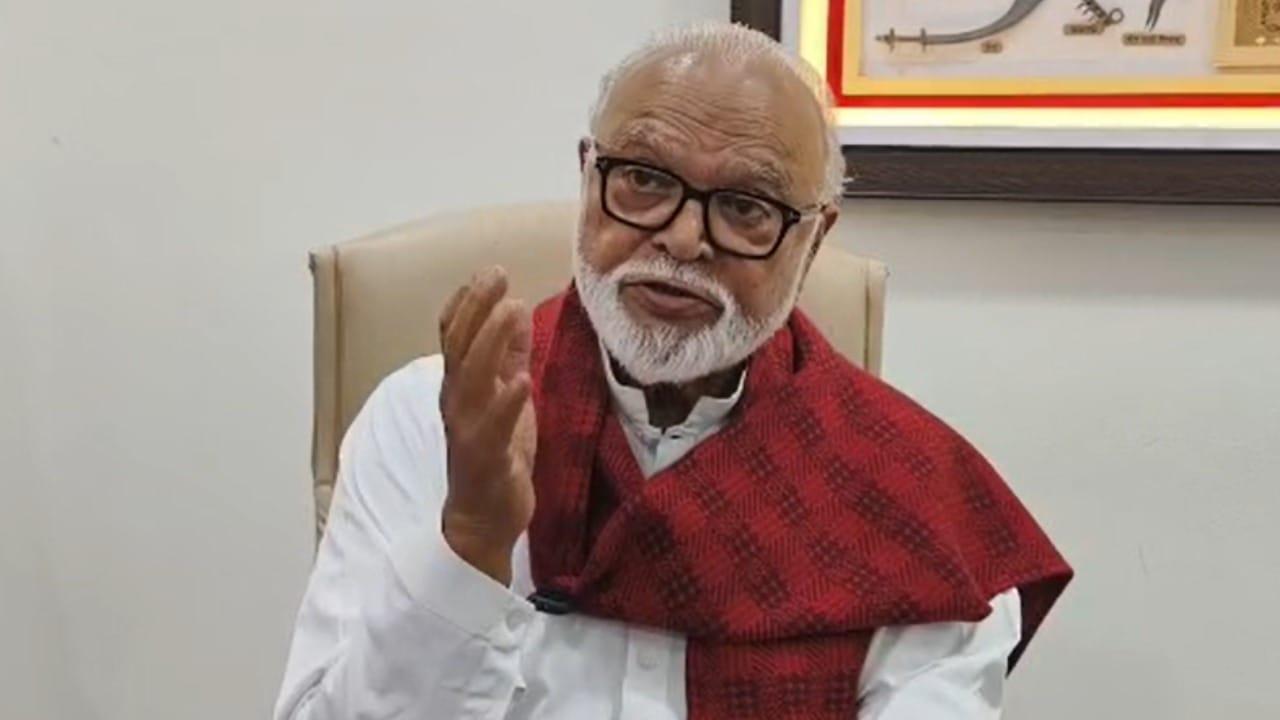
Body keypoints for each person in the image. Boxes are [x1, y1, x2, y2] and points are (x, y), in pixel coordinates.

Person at [275, 22, 1071, 720]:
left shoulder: (911, 495)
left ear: (813, 239)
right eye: (645, 181)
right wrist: (472, 542)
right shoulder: (430, 424)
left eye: (747, 207)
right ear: (588, 177)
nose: (684, 240)